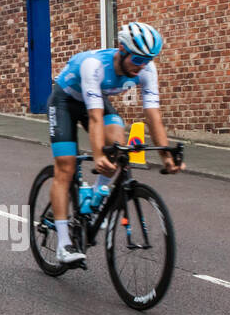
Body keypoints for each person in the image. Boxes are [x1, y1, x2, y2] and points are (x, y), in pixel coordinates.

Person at [48, 22, 183, 264]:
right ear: (122, 49)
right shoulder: (95, 66)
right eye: (138, 59)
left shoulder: (146, 69)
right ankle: (63, 244)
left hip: (97, 100)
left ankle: (97, 197)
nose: (141, 65)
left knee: (119, 146)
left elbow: (153, 115)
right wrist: (98, 155)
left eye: (148, 59)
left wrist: (166, 155)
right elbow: (94, 116)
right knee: (66, 166)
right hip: (65, 101)